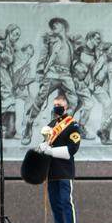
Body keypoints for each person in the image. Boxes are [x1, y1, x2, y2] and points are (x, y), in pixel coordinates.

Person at [21, 17, 78, 145]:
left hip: (66, 74)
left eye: (57, 24)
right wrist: (40, 72)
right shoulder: (50, 40)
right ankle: (28, 126)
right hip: (52, 72)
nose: (54, 26)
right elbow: (43, 56)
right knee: (40, 99)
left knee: (74, 102)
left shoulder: (70, 41)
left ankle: (58, 129)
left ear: (63, 25)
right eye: (52, 25)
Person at [37, 95, 82, 223]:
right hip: (51, 171)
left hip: (64, 170)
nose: (57, 107)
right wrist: (42, 148)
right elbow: (46, 143)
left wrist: (50, 151)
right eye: (55, 104)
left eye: (60, 105)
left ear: (66, 107)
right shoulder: (51, 124)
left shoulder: (72, 125)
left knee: (66, 202)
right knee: (55, 204)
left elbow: (71, 150)